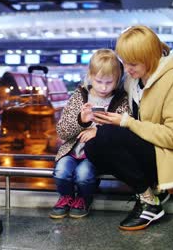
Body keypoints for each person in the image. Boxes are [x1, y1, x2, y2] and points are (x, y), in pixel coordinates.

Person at [84, 26, 173, 230]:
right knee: (94, 144)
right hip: (153, 149)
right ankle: (154, 193)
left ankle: (149, 201)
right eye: (125, 62)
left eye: (132, 63)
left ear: (150, 57)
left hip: (171, 155)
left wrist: (126, 122)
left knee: (105, 137)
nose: (127, 69)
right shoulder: (136, 78)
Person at [50, 49, 130, 219]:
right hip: (72, 150)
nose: (103, 87)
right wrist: (82, 121)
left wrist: (98, 131)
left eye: (109, 82)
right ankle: (66, 197)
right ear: (90, 76)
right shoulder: (79, 96)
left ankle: (84, 199)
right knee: (61, 171)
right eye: (99, 81)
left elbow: (124, 132)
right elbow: (62, 132)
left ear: (117, 80)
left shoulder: (120, 100)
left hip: (96, 154)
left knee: (84, 175)